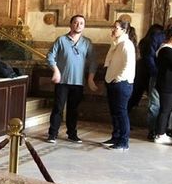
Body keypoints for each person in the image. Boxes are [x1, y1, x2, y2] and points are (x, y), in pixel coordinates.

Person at [46, 14, 98, 143]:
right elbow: (50, 56)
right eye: (75, 22)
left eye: (81, 23)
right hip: (62, 81)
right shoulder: (61, 40)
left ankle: (72, 134)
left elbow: (93, 62)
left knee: (73, 110)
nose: (78, 25)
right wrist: (56, 71)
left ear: (84, 26)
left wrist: (90, 79)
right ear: (70, 24)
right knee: (58, 108)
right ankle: (52, 134)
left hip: (78, 82)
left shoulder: (87, 42)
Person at [147, 16, 172, 139]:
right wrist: (157, 71)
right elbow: (151, 57)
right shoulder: (158, 37)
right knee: (156, 106)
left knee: (167, 107)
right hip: (159, 75)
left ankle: (162, 130)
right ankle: (154, 131)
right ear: (171, 26)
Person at [100, 19, 137, 151]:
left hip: (122, 83)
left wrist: (119, 78)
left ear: (124, 30)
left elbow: (128, 64)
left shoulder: (126, 44)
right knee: (114, 112)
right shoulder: (116, 43)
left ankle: (123, 141)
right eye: (113, 27)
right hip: (112, 81)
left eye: (116, 28)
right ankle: (115, 137)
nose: (113, 30)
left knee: (121, 113)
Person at [127, 23, 162, 114]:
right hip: (148, 71)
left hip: (140, 68)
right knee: (153, 98)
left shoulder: (143, 41)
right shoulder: (155, 42)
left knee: (135, 96)